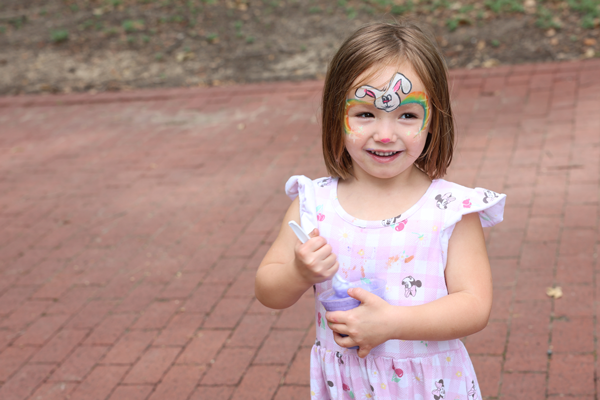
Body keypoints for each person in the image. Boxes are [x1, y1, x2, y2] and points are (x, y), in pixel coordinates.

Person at [255, 20, 506, 400]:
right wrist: (298, 271)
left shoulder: (451, 210)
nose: (385, 134)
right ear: (335, 117)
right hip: (349, 388)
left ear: (433, 121)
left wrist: (392, 322)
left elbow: (474, 305)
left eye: (407, 115)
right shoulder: (314, 204)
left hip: (430, 388)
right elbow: (268, 290)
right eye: (365, 114)